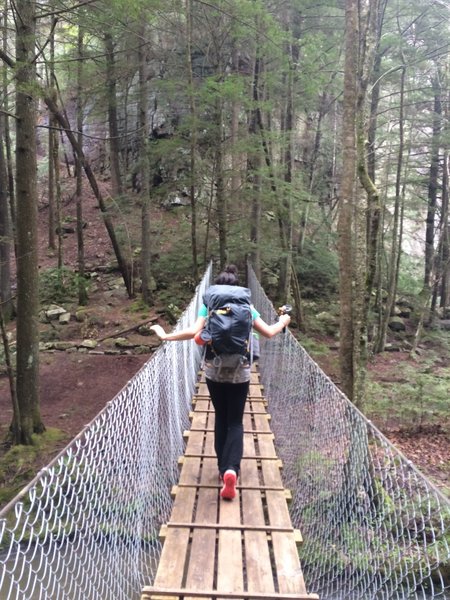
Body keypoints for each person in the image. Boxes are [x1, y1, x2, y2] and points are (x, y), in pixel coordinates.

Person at [150, 265, 291, 500]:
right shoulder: (246, 305)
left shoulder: (209, 303)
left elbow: (193, 331)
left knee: (220, 418)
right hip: (241, 370)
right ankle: (231, 470)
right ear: (237, 287)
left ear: (216, 286)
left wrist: (166, 336)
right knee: (235, 421)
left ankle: (220, 469)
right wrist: (284, 320)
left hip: (214, 370)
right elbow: (267, 332)